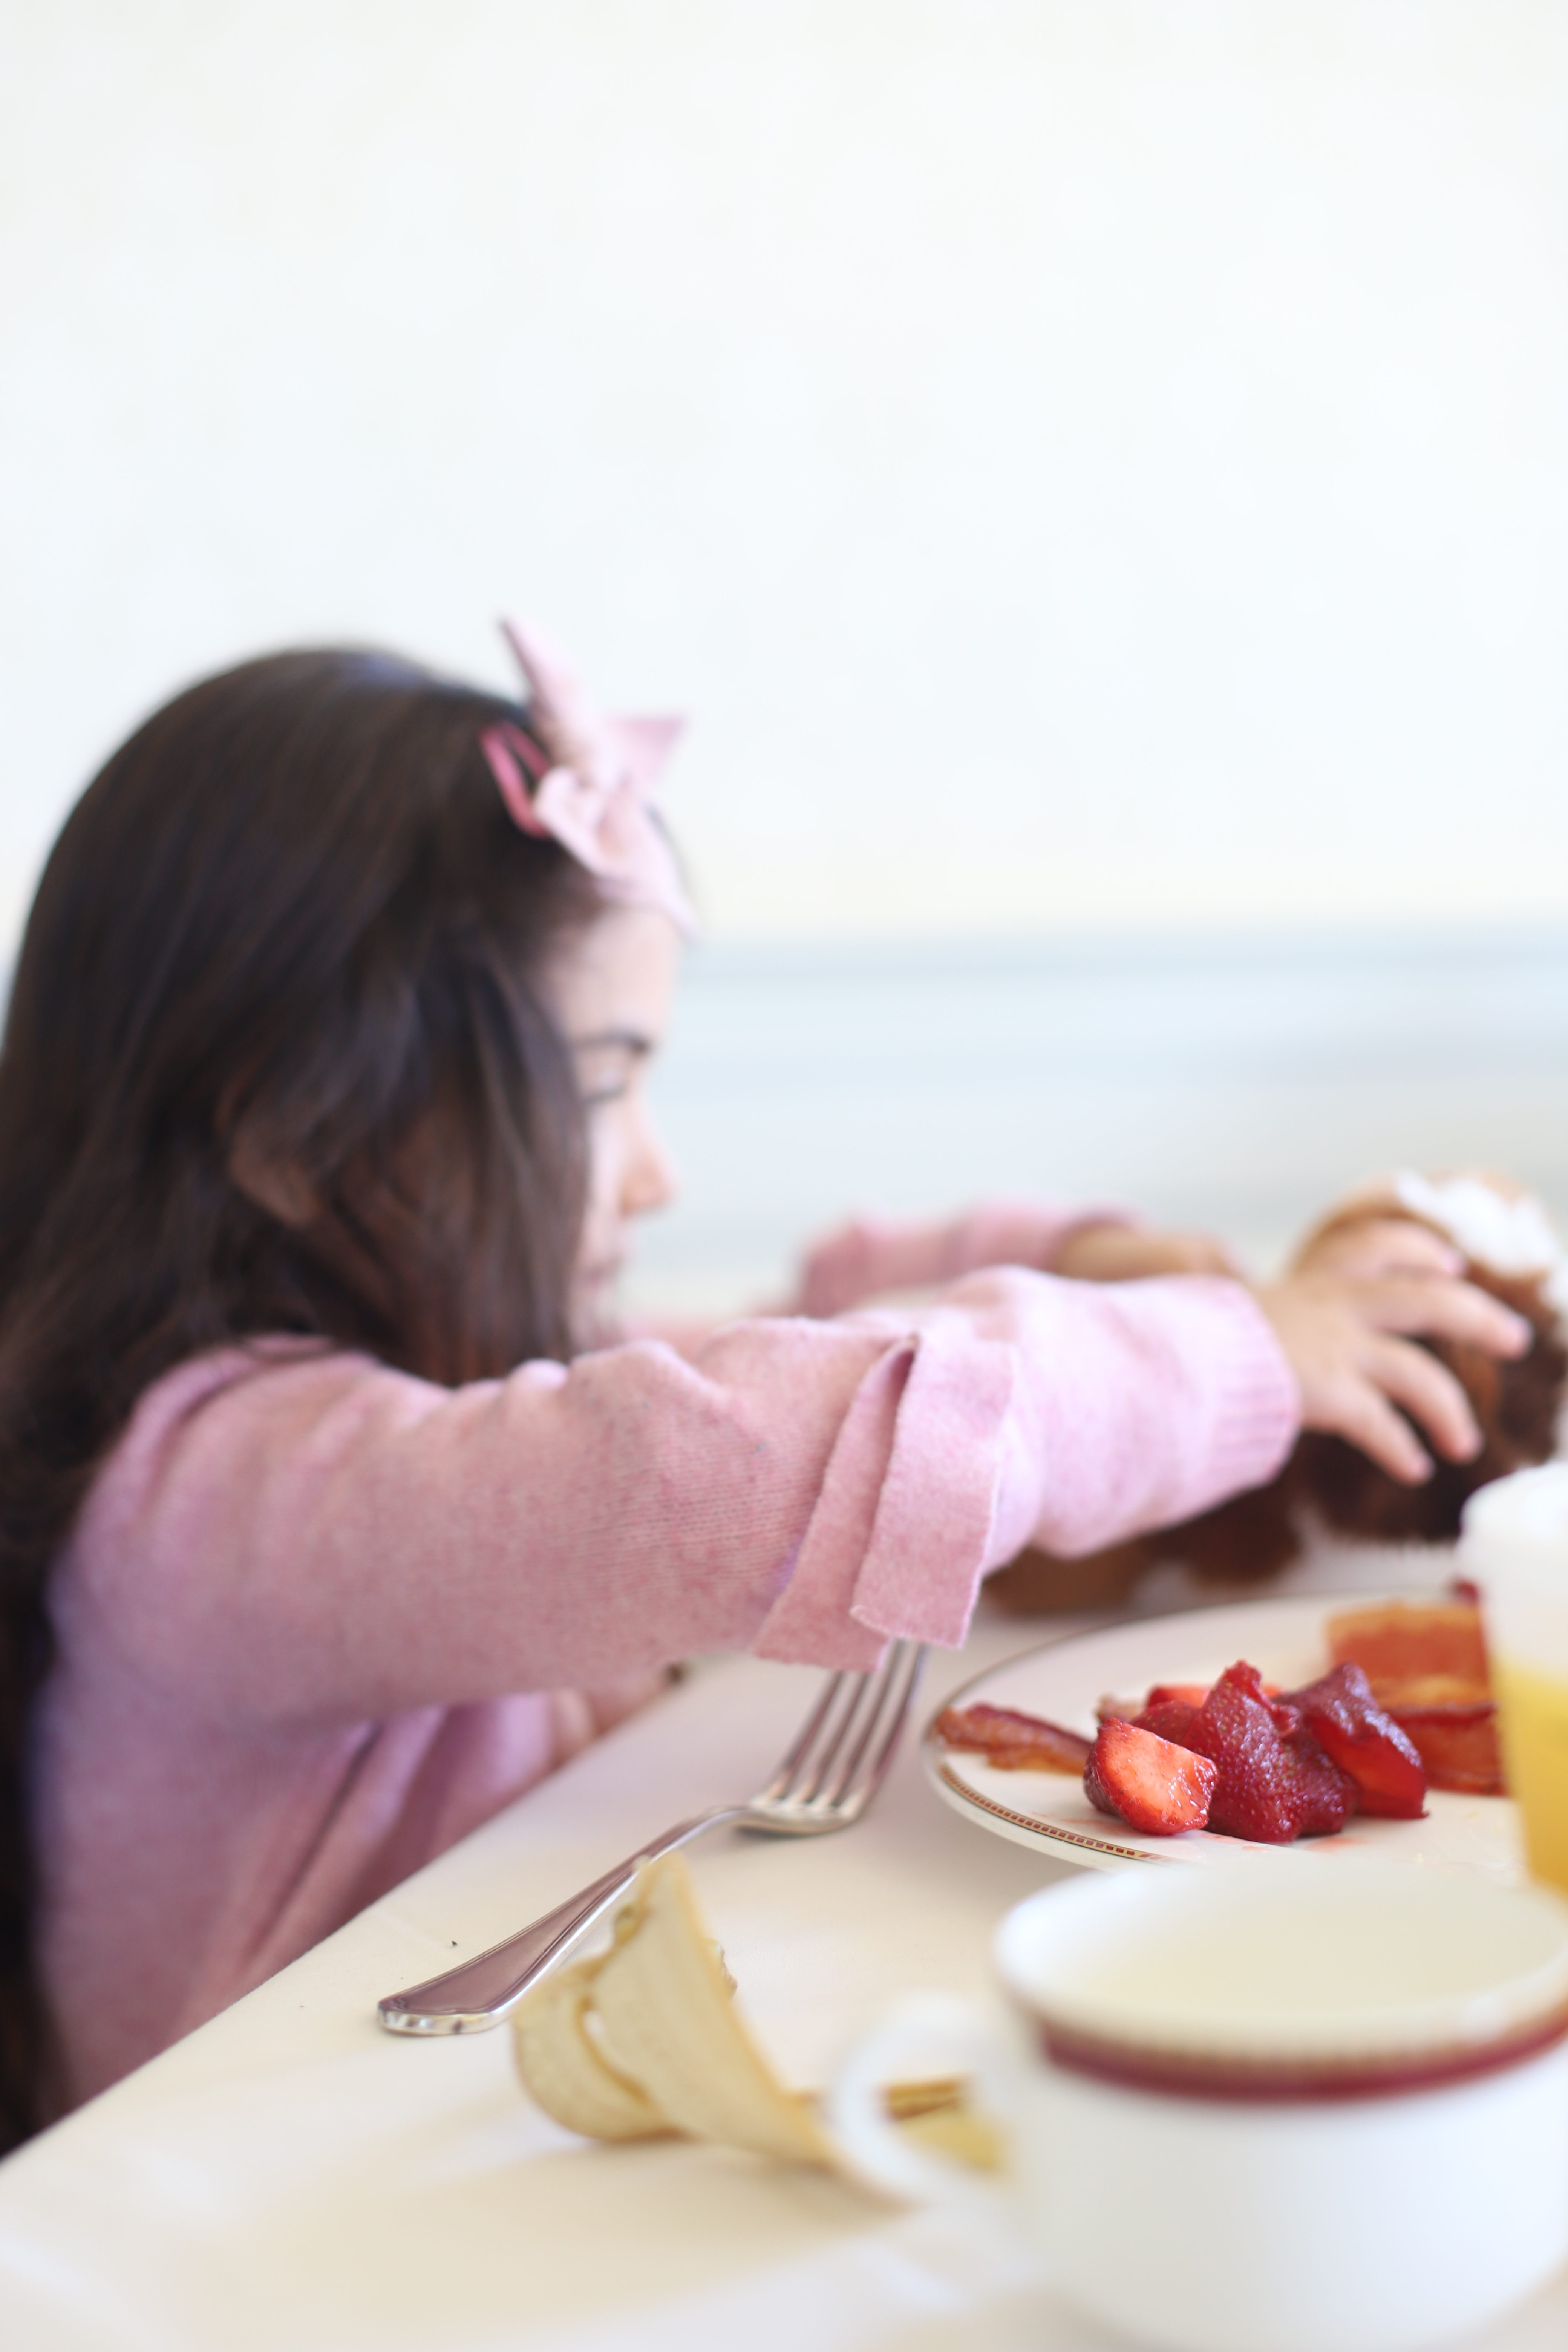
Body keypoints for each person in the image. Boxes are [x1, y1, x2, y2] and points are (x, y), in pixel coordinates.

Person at [0, 625, 1525, 2150]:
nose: (657, 1169)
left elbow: (783, 1335)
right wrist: (1235, 1355)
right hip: (254, 2211)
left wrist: (1086, 1256)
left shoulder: (391, 1387)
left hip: (459, 2113)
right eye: (604, 1084)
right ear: (285, 1128)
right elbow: (710, 1460)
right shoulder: (218, 1497)